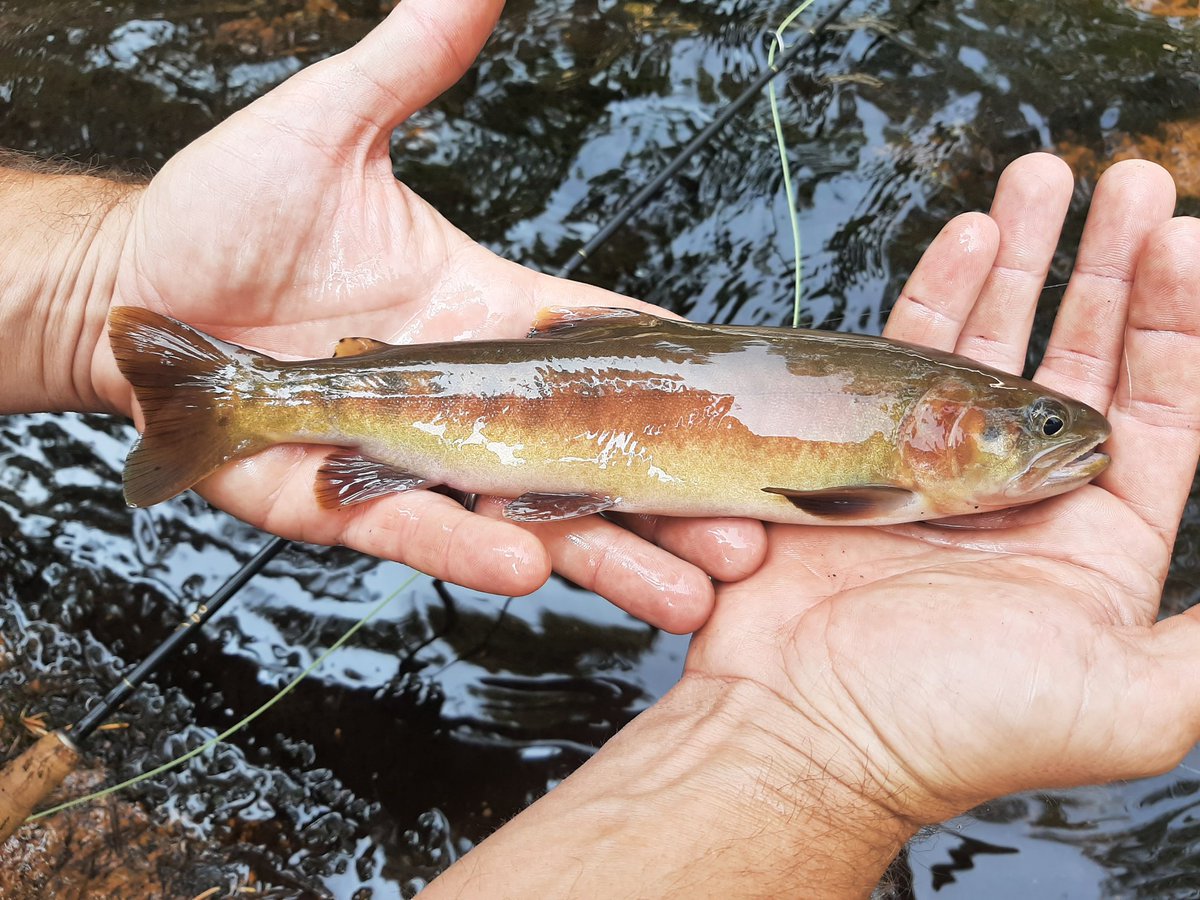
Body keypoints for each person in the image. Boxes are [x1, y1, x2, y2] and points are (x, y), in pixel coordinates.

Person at [2, 1, 1197, 896]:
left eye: (1045, 430)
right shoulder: (886, 481)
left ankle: (236, 393)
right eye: (1037, 429)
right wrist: (832, 761)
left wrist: (90, 289)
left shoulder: (905, 461)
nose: (1059, 442)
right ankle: (236, 395)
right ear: (947, 426)